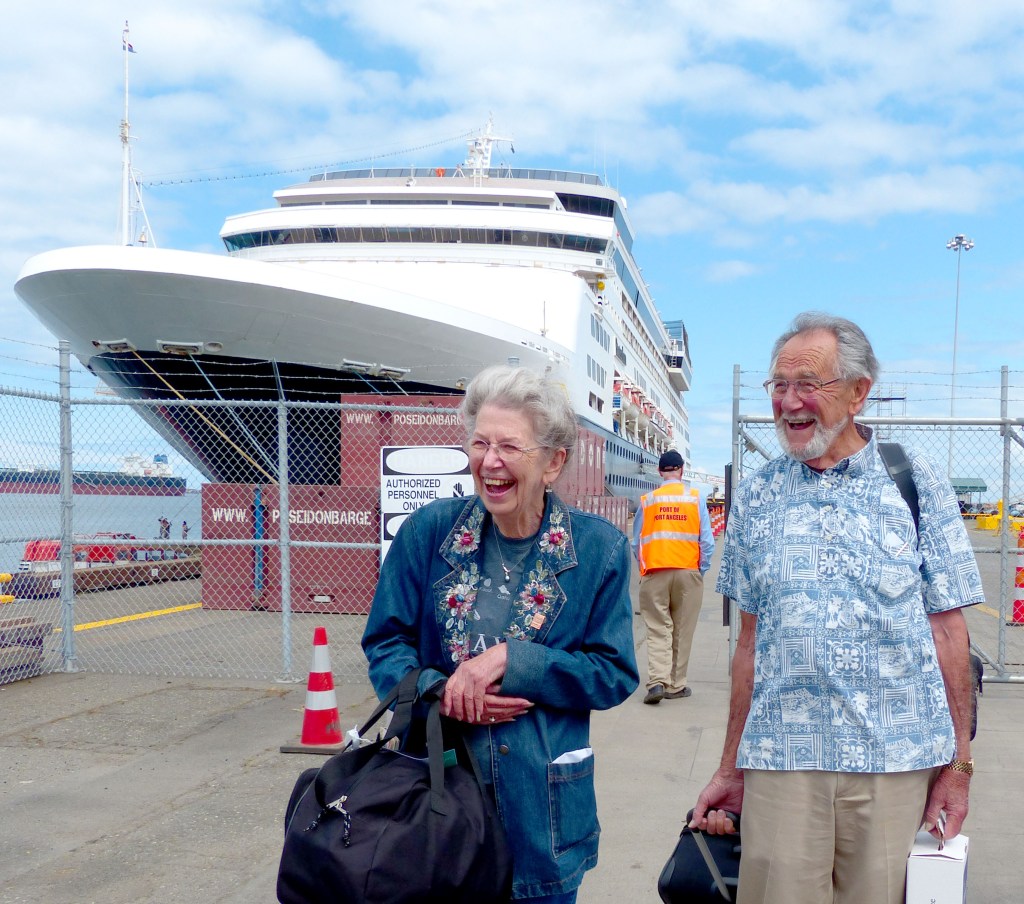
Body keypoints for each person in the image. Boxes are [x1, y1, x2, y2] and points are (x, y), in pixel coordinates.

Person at [690, 312, 983, 904]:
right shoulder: (758, 493)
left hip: (896, 759)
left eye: (808, 384)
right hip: (782, 759)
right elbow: (749, 643)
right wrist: (729, 766)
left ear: (857, 392)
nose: (789, 402)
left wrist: (959, 767)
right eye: (779, 385)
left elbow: (949, 632)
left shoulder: (914, 480)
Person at [362, 364, 639, 903]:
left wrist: (517, 660)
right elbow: (386, 643)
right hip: (435, 808)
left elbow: (613, 673)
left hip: (543, 816)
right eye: (480, 443)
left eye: (510, 446)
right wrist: (440, 692)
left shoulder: (598, 549)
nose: (490, 461)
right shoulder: (428, 532)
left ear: (553, 461)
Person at [631, 449, 715, 704]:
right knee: (682, 630)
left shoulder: (648, 500)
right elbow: (707, 541)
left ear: (660, 471)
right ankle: (676, 685)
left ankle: (657, 681)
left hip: (655, 571)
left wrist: (645, 567)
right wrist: (700, 570)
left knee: (658, 628)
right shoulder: (695, 498)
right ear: (681, 470)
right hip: (688, 571)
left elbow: (636, 542)